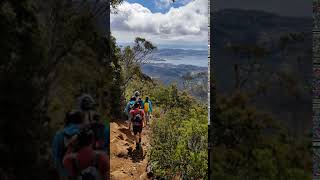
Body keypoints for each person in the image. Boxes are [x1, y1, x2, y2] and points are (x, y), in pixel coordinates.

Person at [52, 110, 84, 180]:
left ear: (66, 120)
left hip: (65, 173)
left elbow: (56, 158)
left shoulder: (59, 135)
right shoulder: (86, 133)